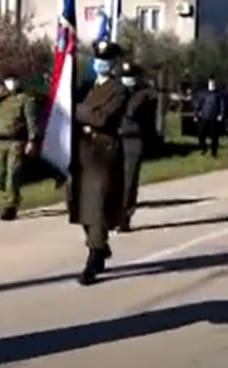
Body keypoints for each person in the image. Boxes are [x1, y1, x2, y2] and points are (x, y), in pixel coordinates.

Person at [69, 40, 130, 285]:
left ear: (113, 63)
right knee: (79, 205)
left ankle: (94, 256)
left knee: (96, 205)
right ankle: (99, 245)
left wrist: (77, 110)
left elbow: (102, 118)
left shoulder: (119, 90)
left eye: (105, 60)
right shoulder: (85, 86)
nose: (100, 63)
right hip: (81, 152)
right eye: (97, 59)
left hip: (102, 153)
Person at [0, 71, 39, 221]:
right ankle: (11, 195)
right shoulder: (1, 99)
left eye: (14, 80)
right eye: (8, 80)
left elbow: (31, 121)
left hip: (17, 141)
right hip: (0, 141)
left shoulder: (25, 99)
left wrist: (32, 141)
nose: (11, 83)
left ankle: (10, 206)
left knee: (13, 173)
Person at [117, 61, 155, 232]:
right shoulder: (116, 90)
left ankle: (125, 217)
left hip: (134, 139)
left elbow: (138, 113)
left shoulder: (145, 94)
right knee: (112, 179)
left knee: (129, 180)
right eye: (125, 76)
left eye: (131, 77)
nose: (127, 80)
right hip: (115, 139)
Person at [193, 76, 226, 157]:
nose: (212, 85)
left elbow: (222, 105)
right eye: (210, 83)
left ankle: (214, 152)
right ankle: (203, 147)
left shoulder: (218, 94)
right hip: (205, 116)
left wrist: (221, 114)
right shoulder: (204, 94)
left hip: (214, 117)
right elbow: (198, 105)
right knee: (201, 134)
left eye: (213, 84)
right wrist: (196, 114)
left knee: (214, 136)